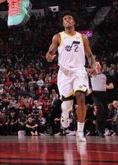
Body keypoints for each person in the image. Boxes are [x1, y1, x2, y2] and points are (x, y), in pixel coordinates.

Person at [46, 11, 96, 142]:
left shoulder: (82, 37)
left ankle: (80, 131)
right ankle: (65, 114)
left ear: (74, 22)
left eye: (69, 18)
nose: (67, 20)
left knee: (80, 97)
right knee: (67, 104)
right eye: (65, 19)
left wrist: (93, 66)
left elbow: (90, 55)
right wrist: (49, 57)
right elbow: (49, 53)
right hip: (64, 73)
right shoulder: (58, 37)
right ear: (63, 23)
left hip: (79, 71)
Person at [89, 61, 114, 136]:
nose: (97, 66)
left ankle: (102, 129)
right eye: (95, 65)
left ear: (100, 66)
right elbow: (88, 87)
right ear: (93, 67)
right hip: (95, 94)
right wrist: (88, 90)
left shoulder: (105, 75)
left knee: (105, 112)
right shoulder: (91, 76)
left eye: (98, 64)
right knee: (100, 109)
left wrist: (107, 86)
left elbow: (112, 85)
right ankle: (99, 129)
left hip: (103, 94)